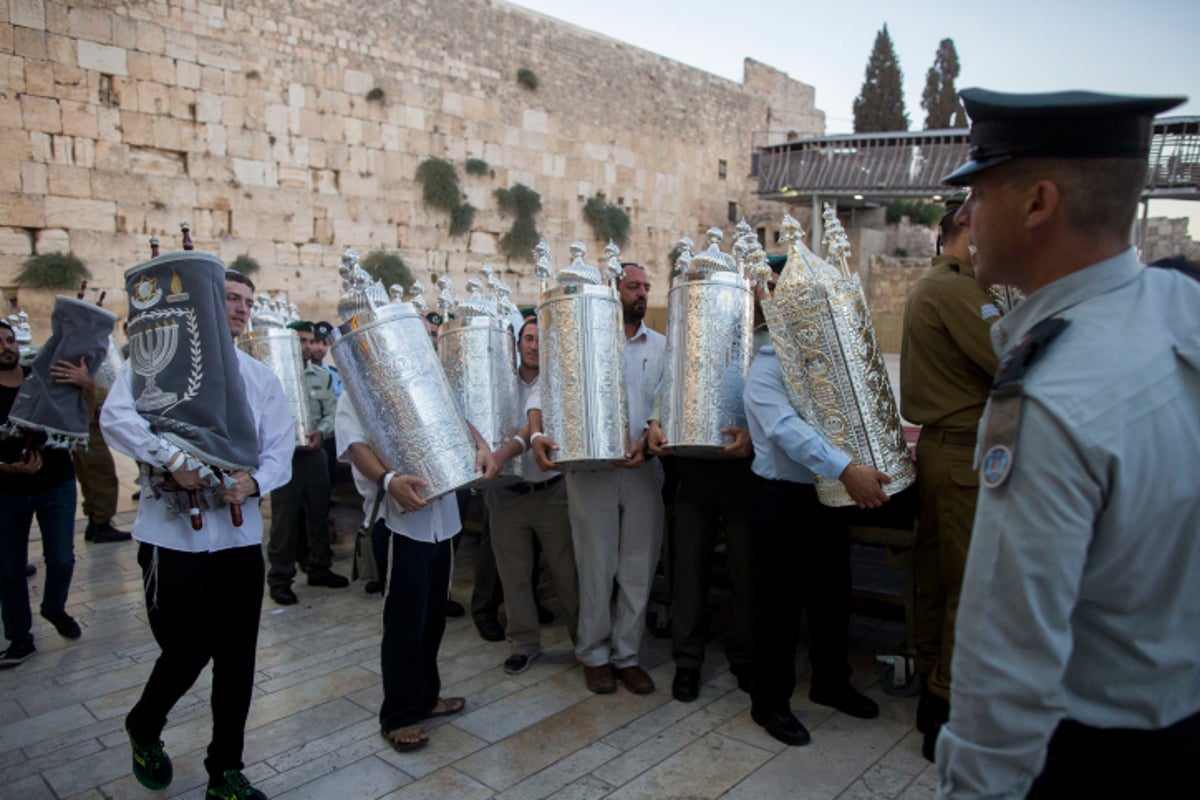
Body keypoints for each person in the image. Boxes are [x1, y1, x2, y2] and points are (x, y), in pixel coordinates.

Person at [934, 89, 1199, 799]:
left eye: (979, 190)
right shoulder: (1181, 308)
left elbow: (1007, 657)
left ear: (1037, 203)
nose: (963, 215)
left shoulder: (1052, 400)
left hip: (1101, 755)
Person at [102, 269, 293, 800]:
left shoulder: (260, 378)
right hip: (172, 542)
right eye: (230, 298)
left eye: (247, 301)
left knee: (237, 659)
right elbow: (115, 419)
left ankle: (224, 770)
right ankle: (144, 725)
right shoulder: (153, 366)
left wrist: (253, 481)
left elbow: (280, 453)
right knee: (185, 652)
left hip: (237, 544)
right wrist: (171, 458)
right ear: (206, 305)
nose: (240, 308)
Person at [742, 338, 891, 747]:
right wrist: (845, 468)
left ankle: (830, 682)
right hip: (780, 496)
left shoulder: (825, 360)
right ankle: (769, 701)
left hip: (825, 494)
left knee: (832, 593)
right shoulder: (766, 367)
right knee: (778, 605)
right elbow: (785, 428)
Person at [335, 381, 497, 752]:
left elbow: (459, 421)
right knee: (404, 622)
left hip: (444, 522)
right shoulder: (361, 388)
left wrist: (482, 447)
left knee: (434, 616)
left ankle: (426, 698)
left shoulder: (431, 384)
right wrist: (389, 480)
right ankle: (399, 715)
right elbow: (354, 446)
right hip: (399, 524)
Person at [531, 263, 665, 695]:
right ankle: (593, 654)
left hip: (643, 470)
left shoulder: (662, 346)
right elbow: (539, 391)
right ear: (613, 291)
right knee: (594, 566)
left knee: (638, 568)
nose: (641, 294)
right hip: (590, 472)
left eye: (646, 287)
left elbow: (669, 400)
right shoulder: (580, 340)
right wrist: (535, 433)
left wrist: (648, 438)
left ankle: (627, 655)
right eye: (633, 287)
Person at [899, 197, 1001, 761]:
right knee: (968, 584)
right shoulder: (955, 288)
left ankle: (932, 690)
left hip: (949, 450)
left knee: (941, 576)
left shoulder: (951, 285)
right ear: (966, 227)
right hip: (963, 452)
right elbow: (1008, 354)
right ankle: (945, 705)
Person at [487, 316, 579, 674]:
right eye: (527, 338)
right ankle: (524, 644)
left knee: (567, 575)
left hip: (551, 493)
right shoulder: (500, 384)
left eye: (540, 339)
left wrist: (504, 452)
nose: (534, 345)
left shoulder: (557, 384)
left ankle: (585, 644)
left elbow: (531, 425)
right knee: (515, 577)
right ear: (517, 343)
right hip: (506, 497)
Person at [0, 320, 86, 667]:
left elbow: (83, 418)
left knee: (62, 558)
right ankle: (20, 637)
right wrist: (6, 468)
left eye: (9, 339)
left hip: (57, 484)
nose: (6, 346)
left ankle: (54, 606)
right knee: (8, 570)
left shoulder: (41, 379)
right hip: (6, 491)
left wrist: (87, 385)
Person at [265, 321, 347, 606]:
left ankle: (319, 568)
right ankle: (280, 578)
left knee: (319, 514)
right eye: (301, 341)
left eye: (311, 341)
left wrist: (321, 432)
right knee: (285, 521)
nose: (309, 347)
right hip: (284, 456)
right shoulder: (272, 378)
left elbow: (330, 413)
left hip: (314, 454)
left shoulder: (322, 377)